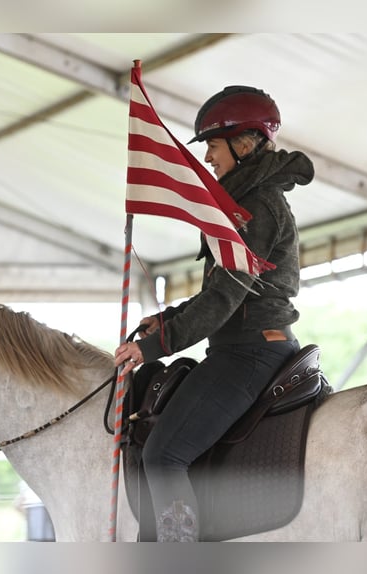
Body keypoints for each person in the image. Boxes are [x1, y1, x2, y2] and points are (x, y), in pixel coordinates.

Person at [114, 85, 315, 542]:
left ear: (244, 144)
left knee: (163, 457)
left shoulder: (255, 207)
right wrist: (167, 319)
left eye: (213, 145)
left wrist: (152, 347)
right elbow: (227, 292)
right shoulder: (243, 202)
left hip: (247, 355)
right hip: (242, 345)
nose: (207, 157)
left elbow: (224, 300)